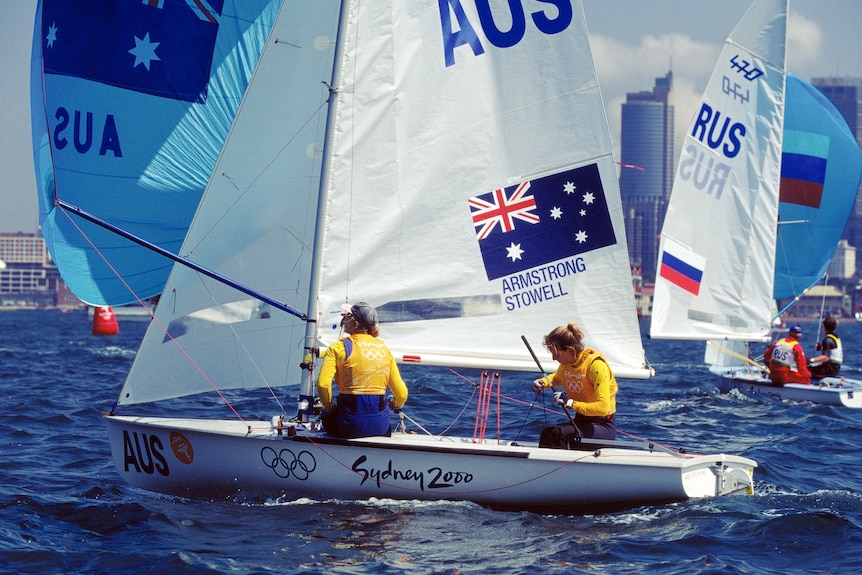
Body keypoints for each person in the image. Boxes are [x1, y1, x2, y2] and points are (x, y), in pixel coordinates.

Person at [317, 302, 408, 438]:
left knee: (326, 417)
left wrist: (331, 410)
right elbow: (401, 393)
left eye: (348, 316)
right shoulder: (384, 348)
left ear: (355, 323)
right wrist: (395, 405)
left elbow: (323, 385)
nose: (344, 319)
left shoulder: (337, 348)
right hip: (380, 427)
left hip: (349, 426)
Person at [530, 322, 617, 448]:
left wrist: (570, 403)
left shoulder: (596, 366)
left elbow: (603, 407)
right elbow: (559, 377)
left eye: (557, 354)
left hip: (602, 426)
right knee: (548, 433)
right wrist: (543, 382)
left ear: (570, 350)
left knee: (557, 434)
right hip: (581, 421)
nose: (554, 358)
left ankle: (559, 467)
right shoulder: (567, 364)